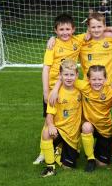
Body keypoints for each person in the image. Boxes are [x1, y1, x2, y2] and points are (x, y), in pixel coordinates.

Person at [49, 65, 112, 172]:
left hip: (105, 128)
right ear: (88, 80)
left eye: (100, 79)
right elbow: (66, 77)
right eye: (93, 79)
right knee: (86, 126)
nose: (97, 82)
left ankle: (94, 151)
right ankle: (90, 159)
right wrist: (56, 89)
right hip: (89, 125)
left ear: (106, 79)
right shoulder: (84, 86)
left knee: (102, 164)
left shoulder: (111, 91)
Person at [33, 13, 82, 165]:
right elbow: (46, 69)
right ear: (55, 30)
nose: (65, 32)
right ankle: (43, 151)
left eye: (68, 29)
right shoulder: (52, 45)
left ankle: (68, 146)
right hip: (54, 88)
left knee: (71, 116)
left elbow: (99, 30)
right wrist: (46, 91)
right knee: (49, 121)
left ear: (73, 29)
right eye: (61, 29)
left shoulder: (78, 41)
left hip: (69, 84)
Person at [40, 59, 82, 177]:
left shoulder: (81, 90)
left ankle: (58, 153)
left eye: (72, 75)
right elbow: (49, 115)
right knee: (46, 132)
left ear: (77, 75)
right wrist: (51, 125)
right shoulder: (55, 94)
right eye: (66, 74)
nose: (69, 78)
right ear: (60, 76)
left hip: (72, 134)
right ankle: (50, 167)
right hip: (59, 130)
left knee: (68, 167)